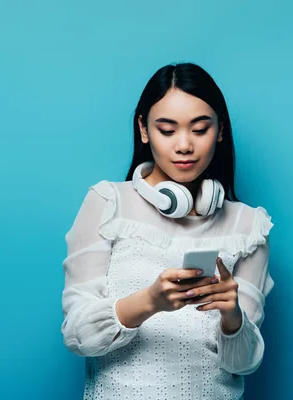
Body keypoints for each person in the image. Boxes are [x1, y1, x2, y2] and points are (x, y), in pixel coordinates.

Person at [60, 62, 274, 399]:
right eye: (167, 129)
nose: (184, 145)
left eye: (200, 129)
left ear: (220, 130)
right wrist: (149, 301)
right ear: (144, 130)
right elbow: (78, 335)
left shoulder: (249, 227)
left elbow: (243, 364)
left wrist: (233, 316)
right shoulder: (107, 203)